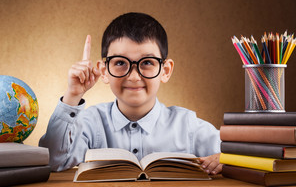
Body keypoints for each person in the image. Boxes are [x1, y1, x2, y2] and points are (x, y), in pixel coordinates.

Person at [39, 12, 222, 174]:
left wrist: (225, 160)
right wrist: (73, 95)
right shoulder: (90, 122)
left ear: (165, 71)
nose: (134, 77)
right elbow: (54, 161)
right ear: (104, 71)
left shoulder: (187, 125)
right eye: (120, 63)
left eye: (147, 62)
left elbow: (238, 156)